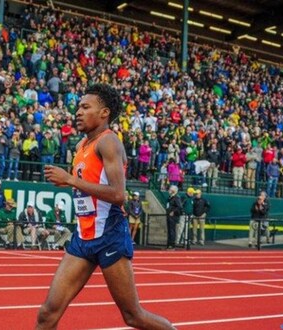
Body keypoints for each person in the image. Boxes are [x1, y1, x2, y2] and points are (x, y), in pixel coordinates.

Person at [39, 84, 174, 329]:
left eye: (85, 107)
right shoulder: (81, 145)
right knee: (48, 313)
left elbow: (118, 194)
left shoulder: (109, 142)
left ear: (104, 113)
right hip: (83, 238)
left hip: (109, 236)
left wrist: (69, 179)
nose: (78, 111)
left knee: (133, 316)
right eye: (78, 106)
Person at [166, 185, 183, 250]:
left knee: (172, 230)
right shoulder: (170, 198)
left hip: (173, 216)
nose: (169, 191)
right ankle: (169, 244)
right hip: (169, 215)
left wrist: (173, 211)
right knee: (169, 230)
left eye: (170, 189)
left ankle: (172, 245)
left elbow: (179, 207)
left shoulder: (176, 198)